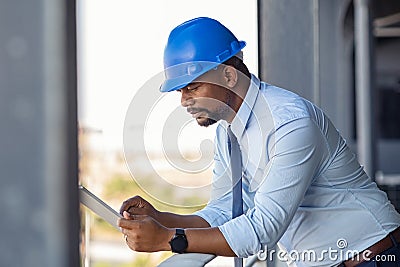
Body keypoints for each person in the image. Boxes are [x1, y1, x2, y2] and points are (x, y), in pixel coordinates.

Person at [118, 17, 400, 266]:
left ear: (228, 75)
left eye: (192, 87)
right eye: (180, 91)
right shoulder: (227, 133)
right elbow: (224, 212)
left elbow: (262, 230)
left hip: (375, 256)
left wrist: (169, 239)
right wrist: (162, 219)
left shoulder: (289, 122)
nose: (184, 101)